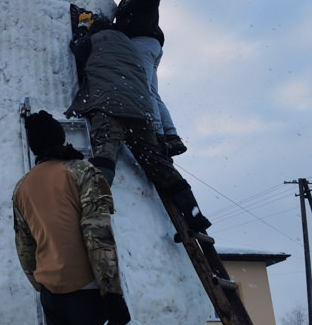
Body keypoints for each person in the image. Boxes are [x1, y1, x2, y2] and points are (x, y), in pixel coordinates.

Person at [13, 110, 131, 325]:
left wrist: (43, 284)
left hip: (53, 296)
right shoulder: (82, 172)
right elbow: (97, 235)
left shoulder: (22, 187)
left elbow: (25, 249)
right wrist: (112, 294)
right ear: (60, 137)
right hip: (89, 293)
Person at [65, 14, 212, 234]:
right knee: (159, 164)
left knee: (105, 155)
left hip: (109, 105)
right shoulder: (129, 45)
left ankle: (95, 210)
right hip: (140, 112)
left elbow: (77, 48)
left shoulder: (97, 40)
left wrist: (83, 29)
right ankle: (194, 214)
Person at [113, 0, 187, 156]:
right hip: (147, 46)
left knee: (142, 89)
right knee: (152, 92)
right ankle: (172, 136)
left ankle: (156, 135)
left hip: (143, 43)